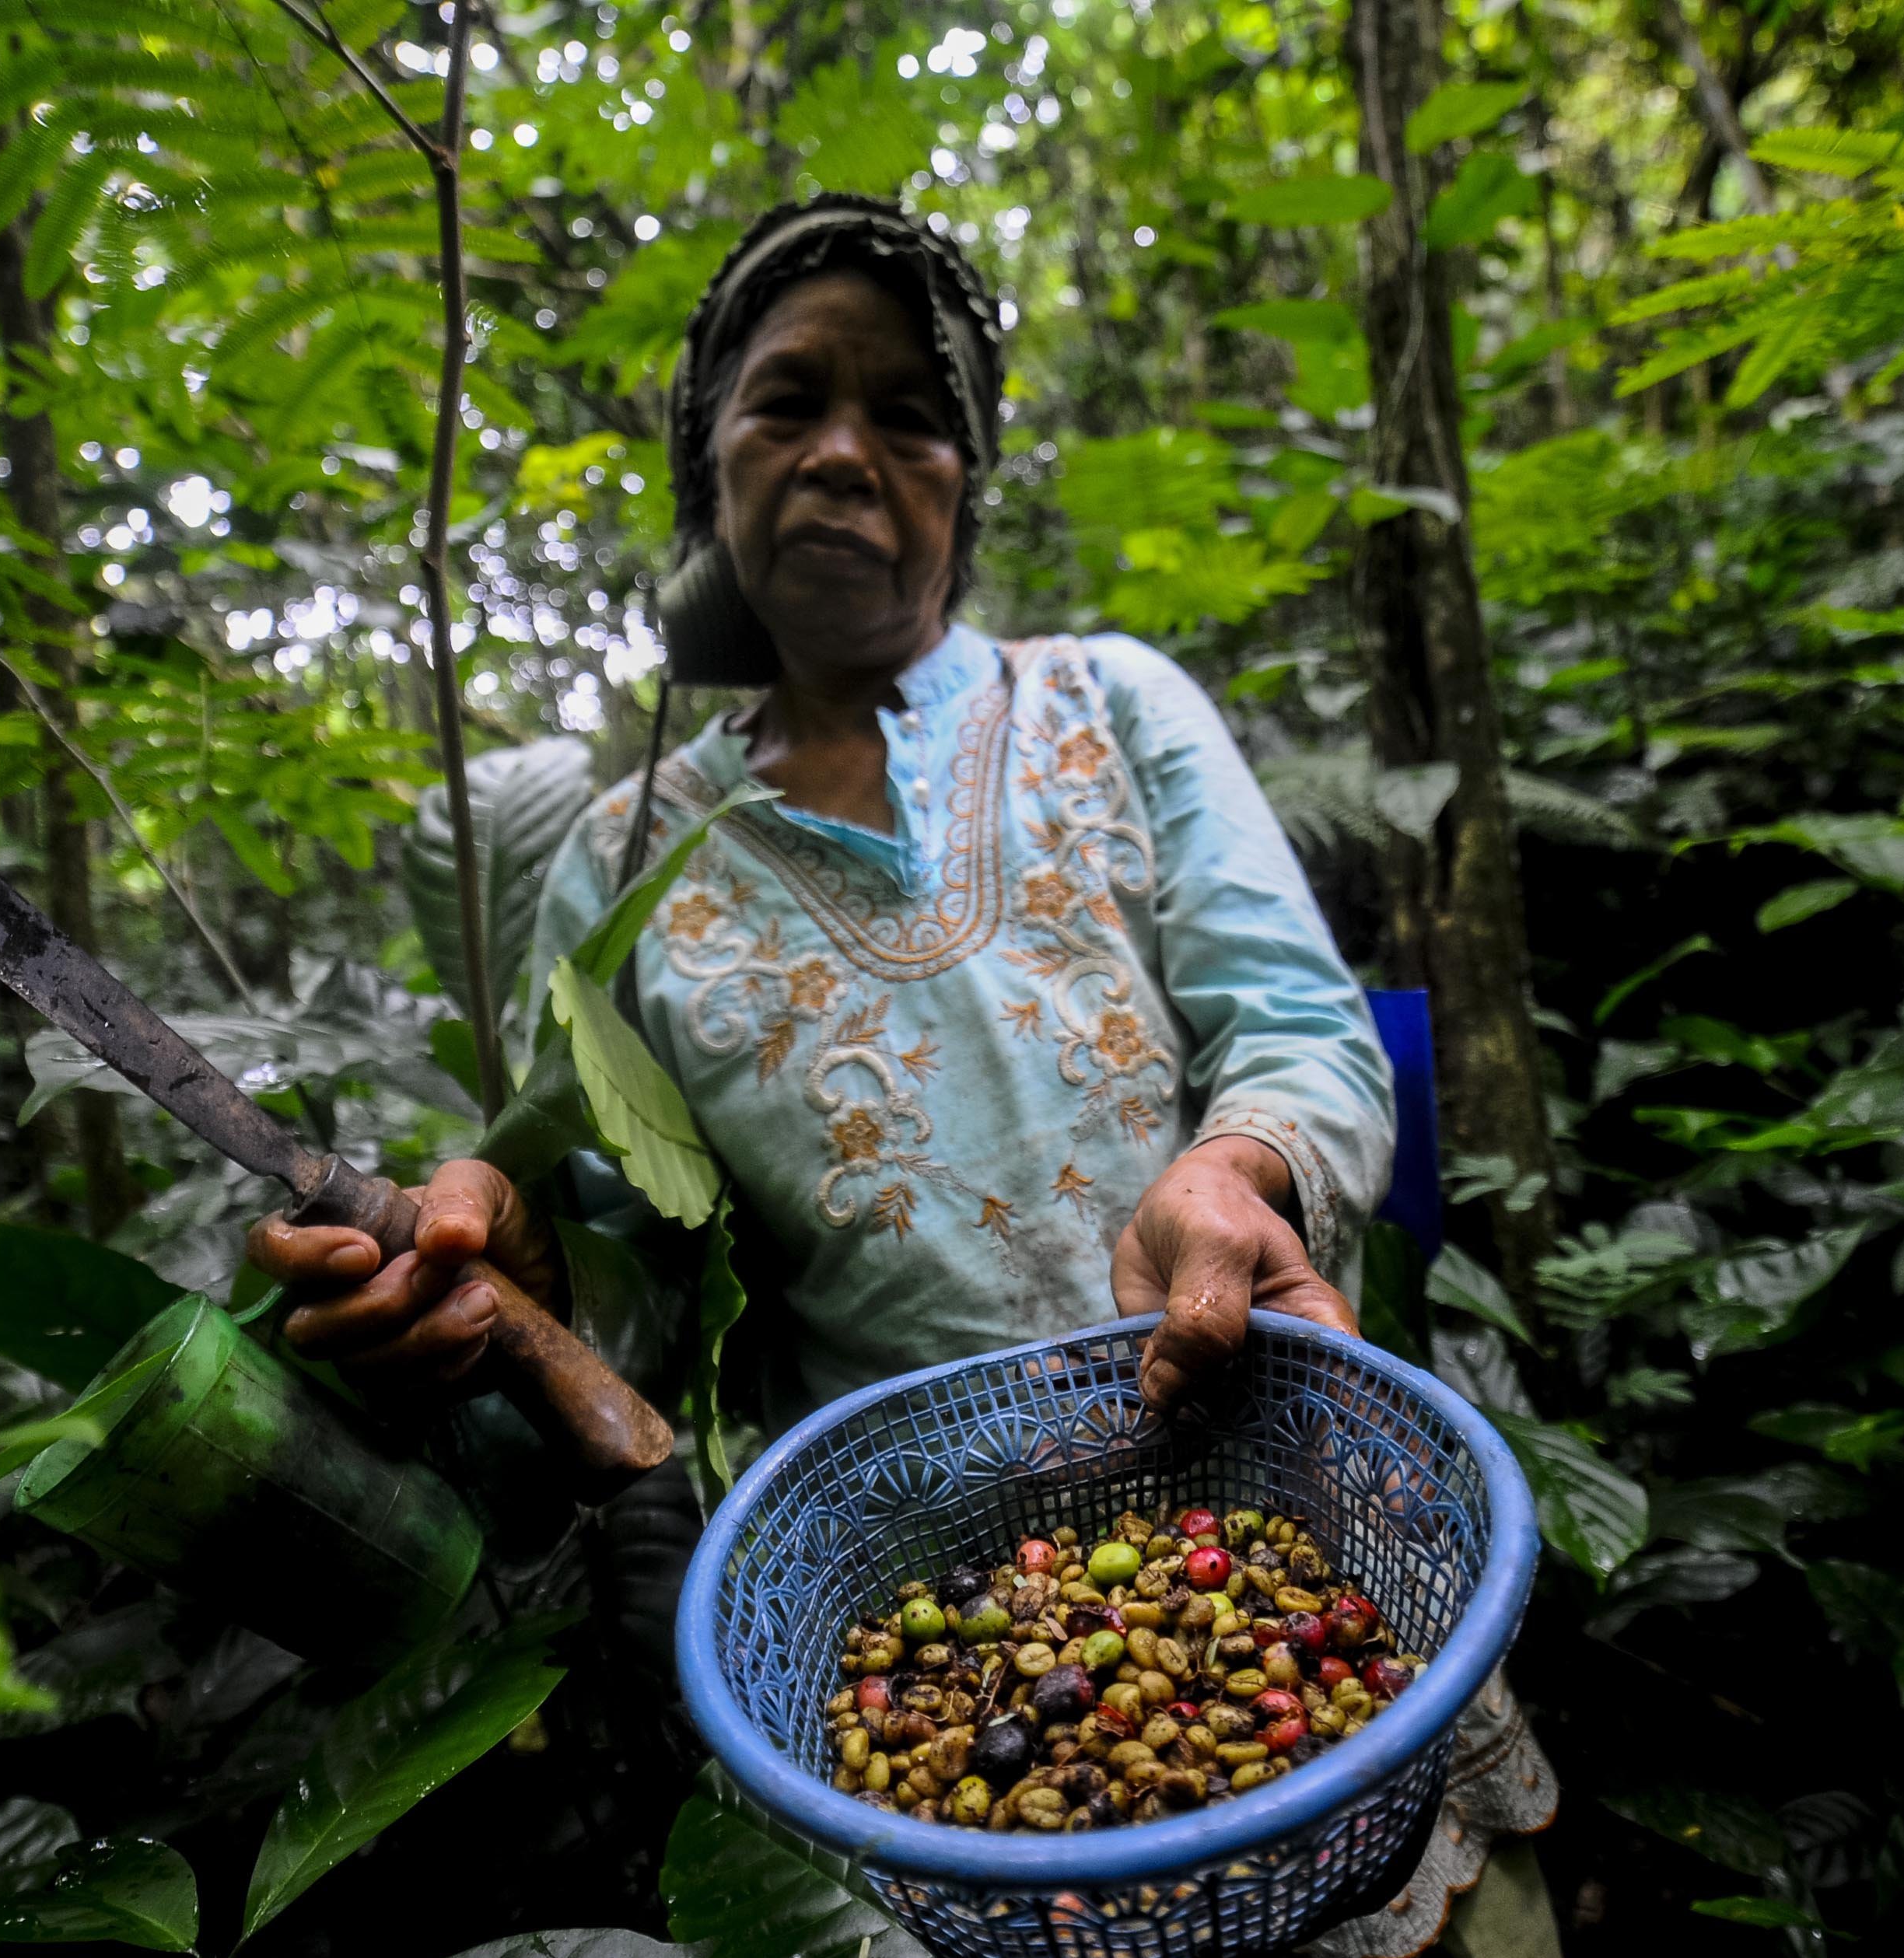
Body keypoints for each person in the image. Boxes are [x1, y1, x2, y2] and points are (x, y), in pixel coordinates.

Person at [249, 196, 1395, 1421]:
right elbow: (650, 1300)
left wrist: (1233, 1171)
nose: (844, 455)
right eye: (788, 404)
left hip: (1259, 1451)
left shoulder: (1106, 700)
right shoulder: (617, 858)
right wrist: (506, 1280)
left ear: (965, 491)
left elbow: (1302, 1030)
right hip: (911, 1563)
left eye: (908, 419)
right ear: (714, 466)